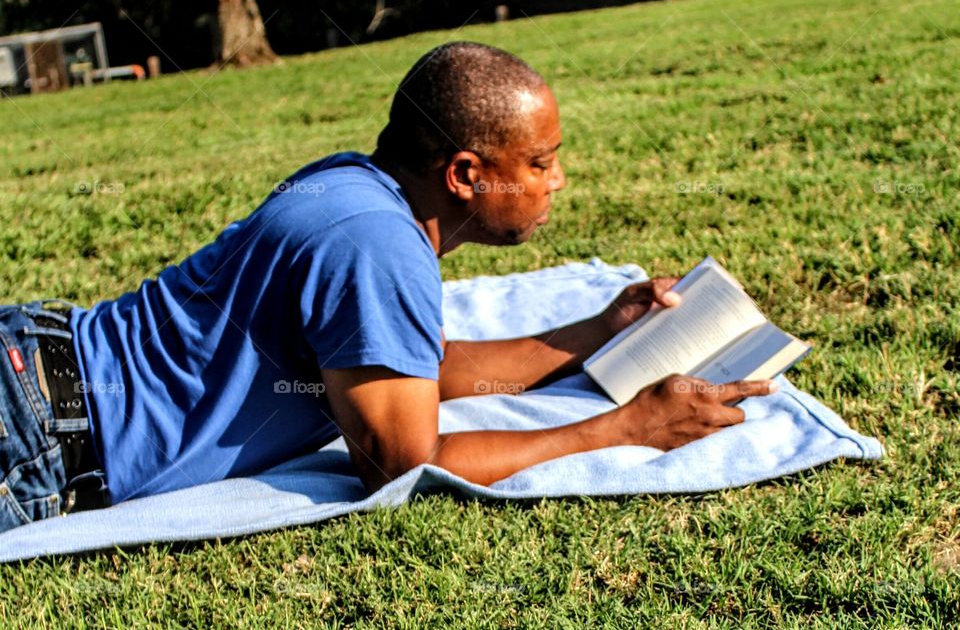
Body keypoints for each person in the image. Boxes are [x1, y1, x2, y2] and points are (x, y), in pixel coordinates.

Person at [0, 42, 776, 533]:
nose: (558, 181)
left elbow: (414, 367)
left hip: (36, 368)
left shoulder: (354, 187)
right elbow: (404, 462)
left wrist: (598, 328)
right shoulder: (379, 245)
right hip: (34, 434)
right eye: (540, 162)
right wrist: (624, 429)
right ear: (468, 175)